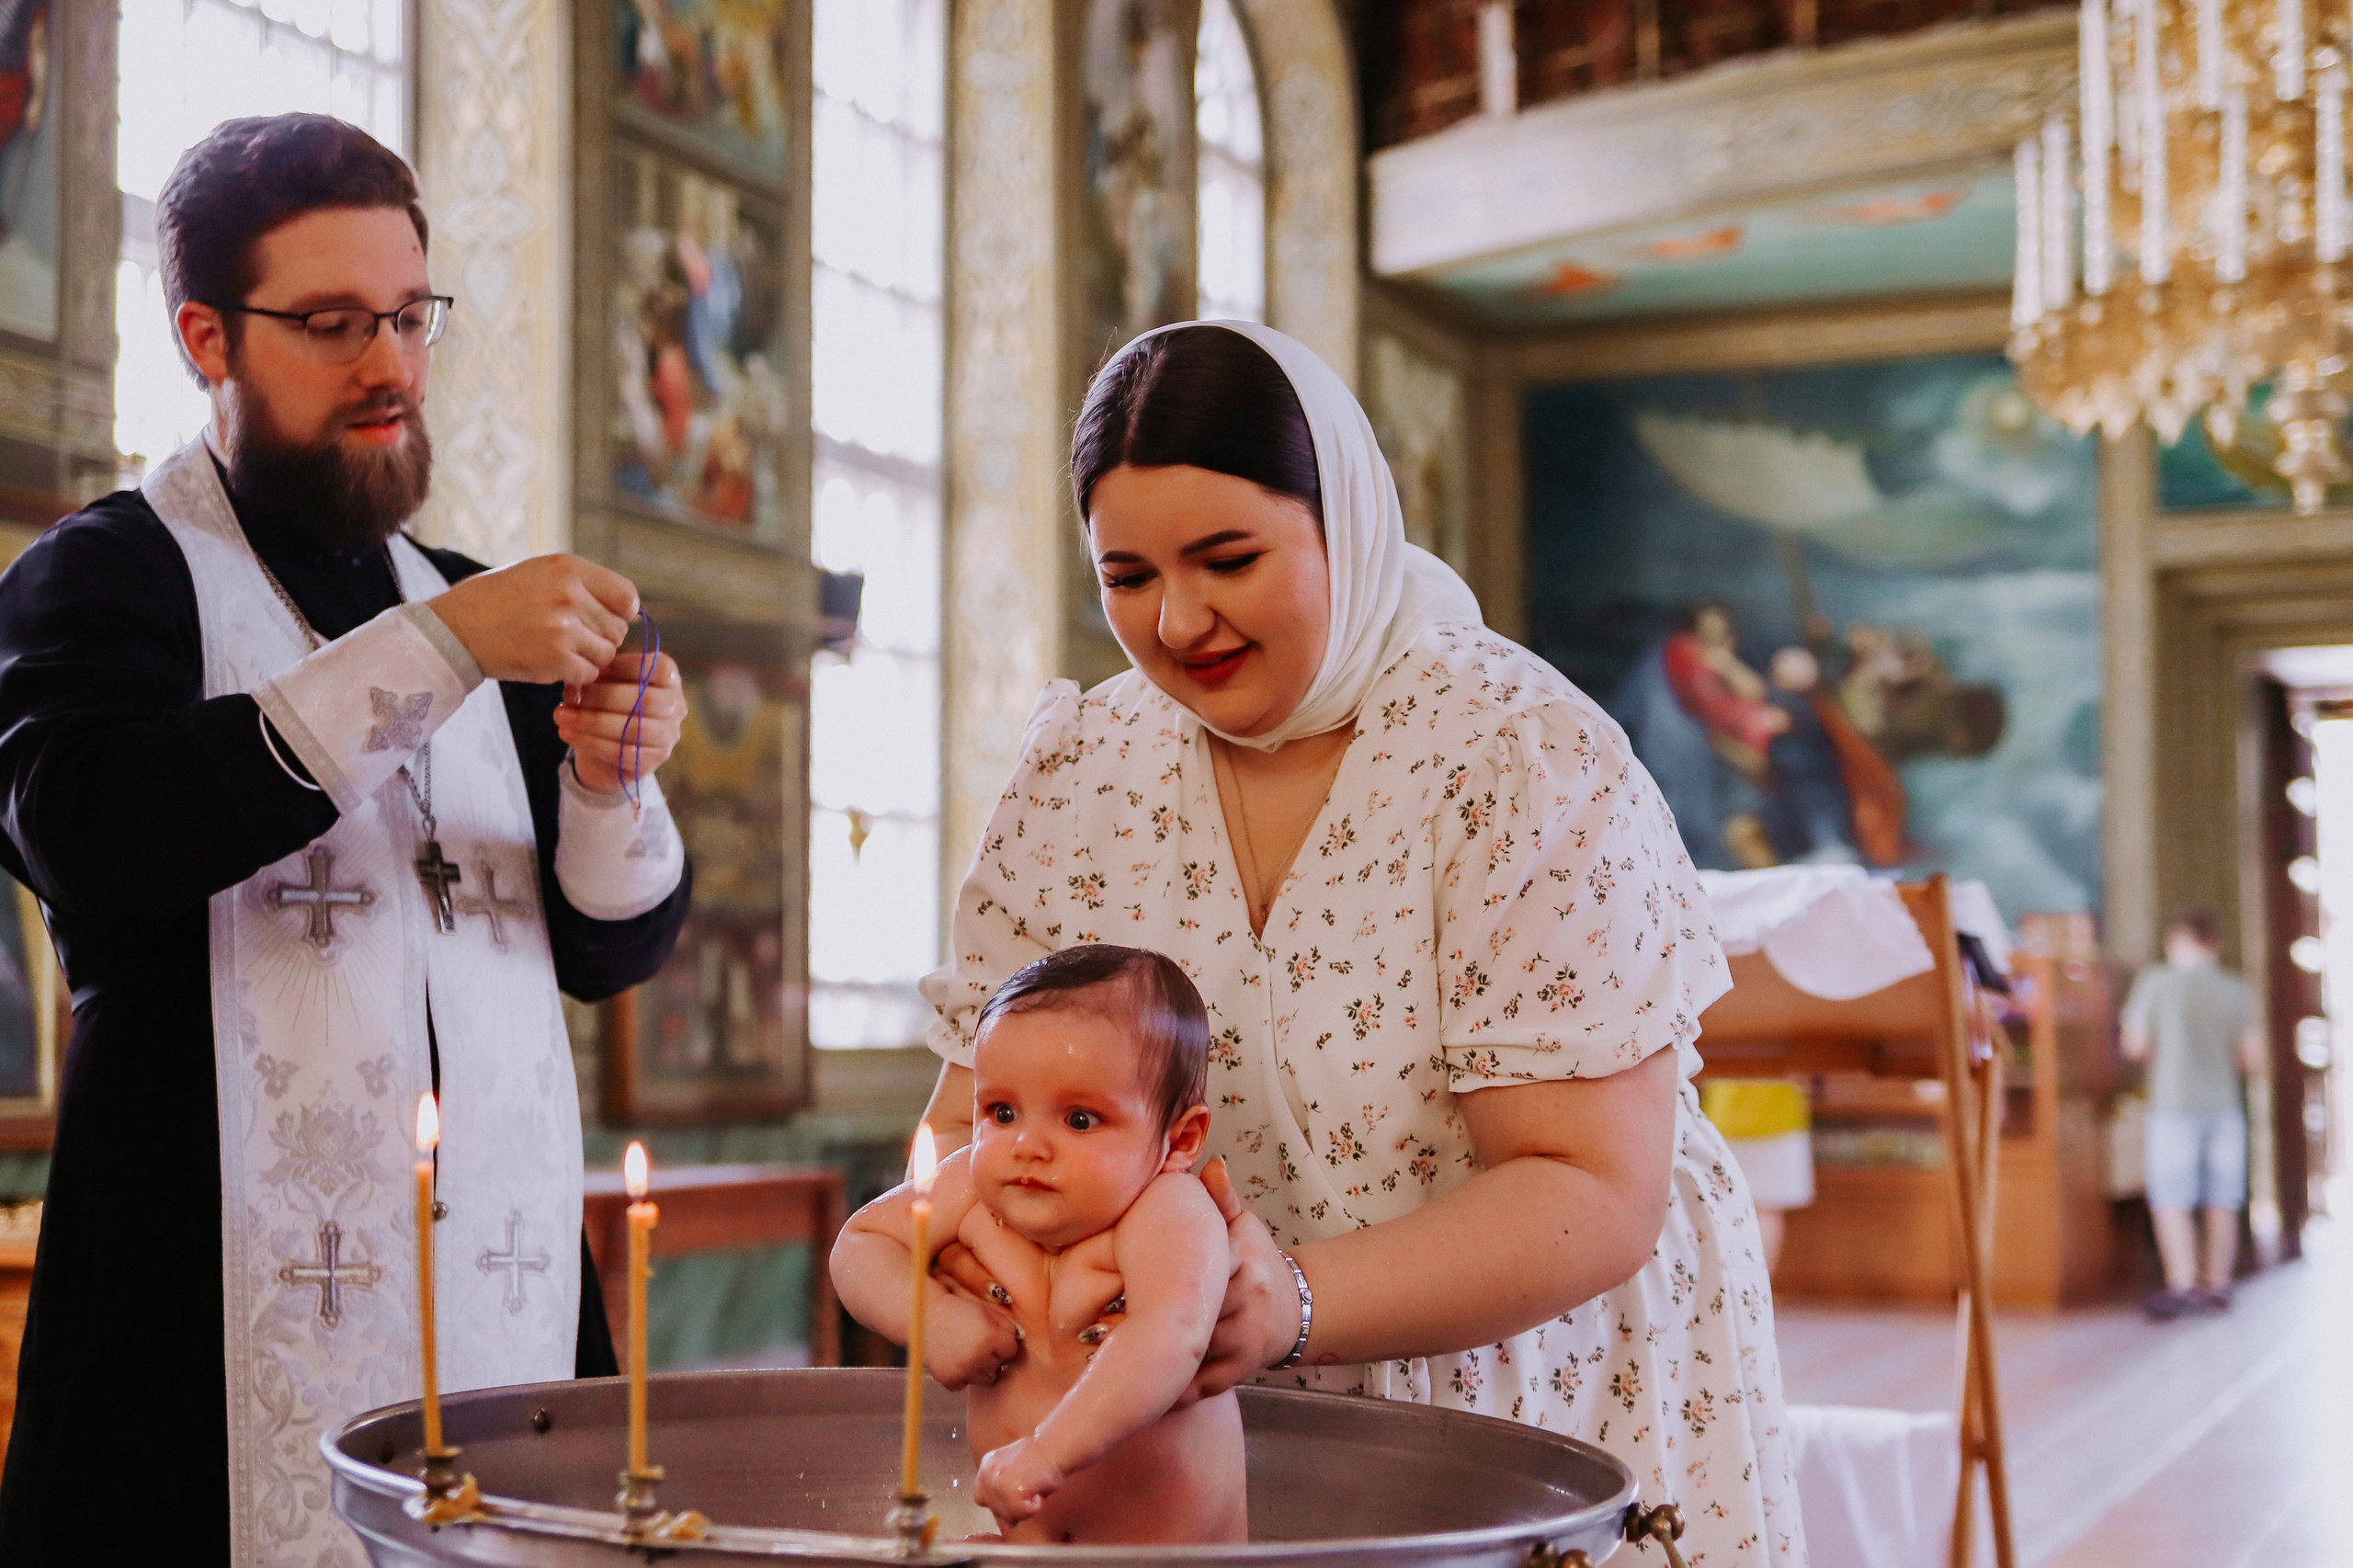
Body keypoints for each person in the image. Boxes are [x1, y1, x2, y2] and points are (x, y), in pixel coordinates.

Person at [918, 322, 1803, 1565]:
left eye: (1229, 558)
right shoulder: (1075, 774)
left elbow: (1593, 1185)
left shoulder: (1517, 758)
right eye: (1125, 576)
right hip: (1186, 1422)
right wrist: (950, 1256)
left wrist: (1296, 1299)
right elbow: (970, 1121)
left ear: (1346, 520)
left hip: (1524, 1396)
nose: (1179, 620)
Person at [0, 116, 693, 1566]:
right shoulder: (107, 574)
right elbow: (88, 828)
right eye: (330, 323)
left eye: (408, 315)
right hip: (196, 1311)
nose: (390, 363)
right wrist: (438, 648)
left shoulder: (464, 596)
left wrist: (611, 781)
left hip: (501, 1297)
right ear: (207, 336)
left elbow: (603, 950)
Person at [833, 946, 1242, 1545]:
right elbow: (861, 1242)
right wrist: (933, 1318)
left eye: (1079, 1120)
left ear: (1179, 1139)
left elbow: (1169, 1336)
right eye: (1001, 1111)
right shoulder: (970, 1185)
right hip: (1027, 1536)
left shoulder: (1167, 1210)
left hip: (1167, 1552)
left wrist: (1047, 1454)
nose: (1028, 1144)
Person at [2120, 905, 2261, 1320]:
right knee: (2222, 1198)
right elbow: (2250, 1056)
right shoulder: (2236, 988)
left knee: (2171, 1197)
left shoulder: (2156, 982)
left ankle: (2182, 1283)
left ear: (2175, 941)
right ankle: (2217, 1284)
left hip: (2173, 1105)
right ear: (2215, 944)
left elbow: (2135, 1045)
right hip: (2223, 1106)